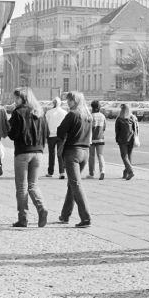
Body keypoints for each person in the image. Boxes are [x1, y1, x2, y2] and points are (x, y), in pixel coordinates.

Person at [7, 88, 48, 228]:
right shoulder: (40, 112)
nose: (15, 100)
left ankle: (23, 219)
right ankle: (42, 209)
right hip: (38, 152)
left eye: (17, 98)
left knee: (21, 187)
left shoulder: (18, 113)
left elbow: (13, 135)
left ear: (23, 98)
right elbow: (46, 132)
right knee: (33, 185)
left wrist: (8, 125)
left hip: (23, 152)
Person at [56, 91, 92, 227]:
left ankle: (86, 218)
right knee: (72, 184)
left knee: (76, 184)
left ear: (75, 101)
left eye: (69, 100)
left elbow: (60, 131)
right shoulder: (88, 116)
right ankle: (65, 215)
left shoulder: (72, 114)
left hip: (73, 152)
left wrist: (65, 135)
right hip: (85, 152)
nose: (67, 103)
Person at [114, 104, 139, 180]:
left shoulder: (119, 119)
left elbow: (117, 131)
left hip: (122, 140)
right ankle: (126, 173)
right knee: (129, 156)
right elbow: (136, 129)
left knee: (124, 156)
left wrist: (117, 139)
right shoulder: (133, 118)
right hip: (131, 139)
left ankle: (130, 172)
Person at [45, 98, 67, 179]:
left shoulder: (49, 112)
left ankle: (50, 172)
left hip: (51, 135)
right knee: (60, 154)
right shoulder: (64, 112)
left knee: (51, 154)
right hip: (61, 136)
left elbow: (45, 124)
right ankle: (62, 172)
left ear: (53, 103)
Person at [87, 100, 107, 180]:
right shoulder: (102, 116)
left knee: (91, 156)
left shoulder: (90, 116)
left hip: (91, 139)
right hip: (100, 138)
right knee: (100, 155)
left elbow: (87, 128)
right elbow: (104, 127)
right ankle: (102, 171)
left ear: (92, 107)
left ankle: (91, 173)